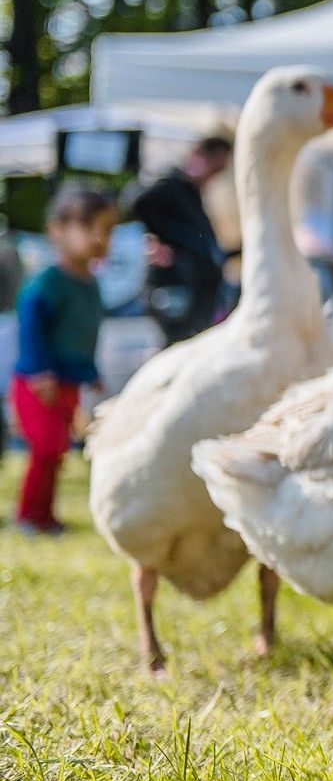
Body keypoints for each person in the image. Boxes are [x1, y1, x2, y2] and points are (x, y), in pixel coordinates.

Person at [13, 184, 116, 534]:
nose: (101, 238)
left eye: (108, 230)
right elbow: (30, 328)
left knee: (58, 451)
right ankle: (27, 515)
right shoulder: (48, 282)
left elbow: (84, 333)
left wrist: (91, 371)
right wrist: (39, 370)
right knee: (44, 447)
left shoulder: (92, 284)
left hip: (68, 383)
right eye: (91, 228)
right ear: (57, 230)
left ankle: (46, 516)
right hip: (38, 382)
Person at [130, 136, 231, 342]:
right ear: (200, 155)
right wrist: (153, 240)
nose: (214, 175)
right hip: (177, 289)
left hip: (197, 291)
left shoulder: (191, 193)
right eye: (215, 166)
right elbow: (134, 202)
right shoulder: (171, 186)